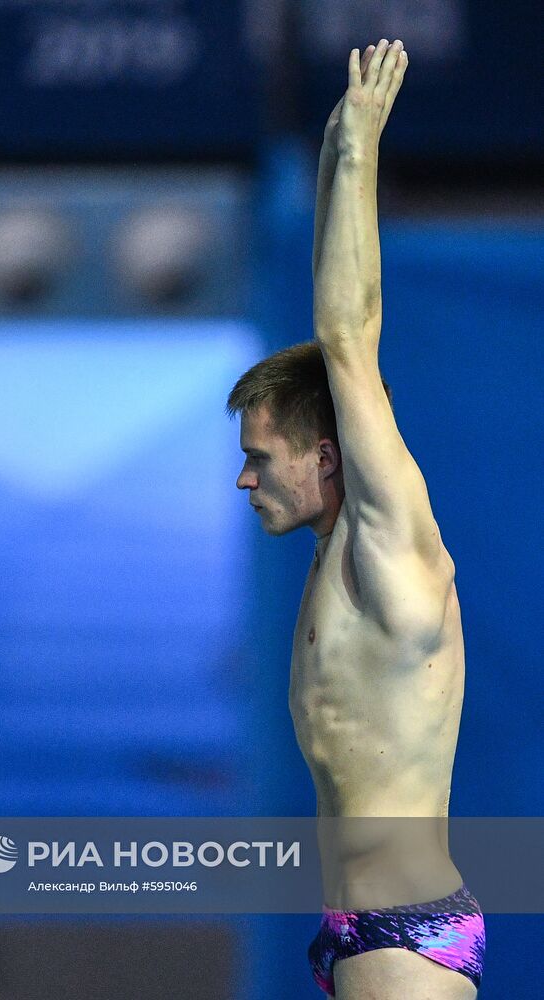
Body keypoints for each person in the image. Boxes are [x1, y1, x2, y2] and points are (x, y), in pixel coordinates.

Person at [226, 40, 486, 999]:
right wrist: (333, 156)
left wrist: (357, 152)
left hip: (401, 934)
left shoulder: (389, 540)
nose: (244, 482)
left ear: (326, 456)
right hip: (357, 929)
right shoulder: (336, 548)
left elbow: (346, 337)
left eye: (259, 459)